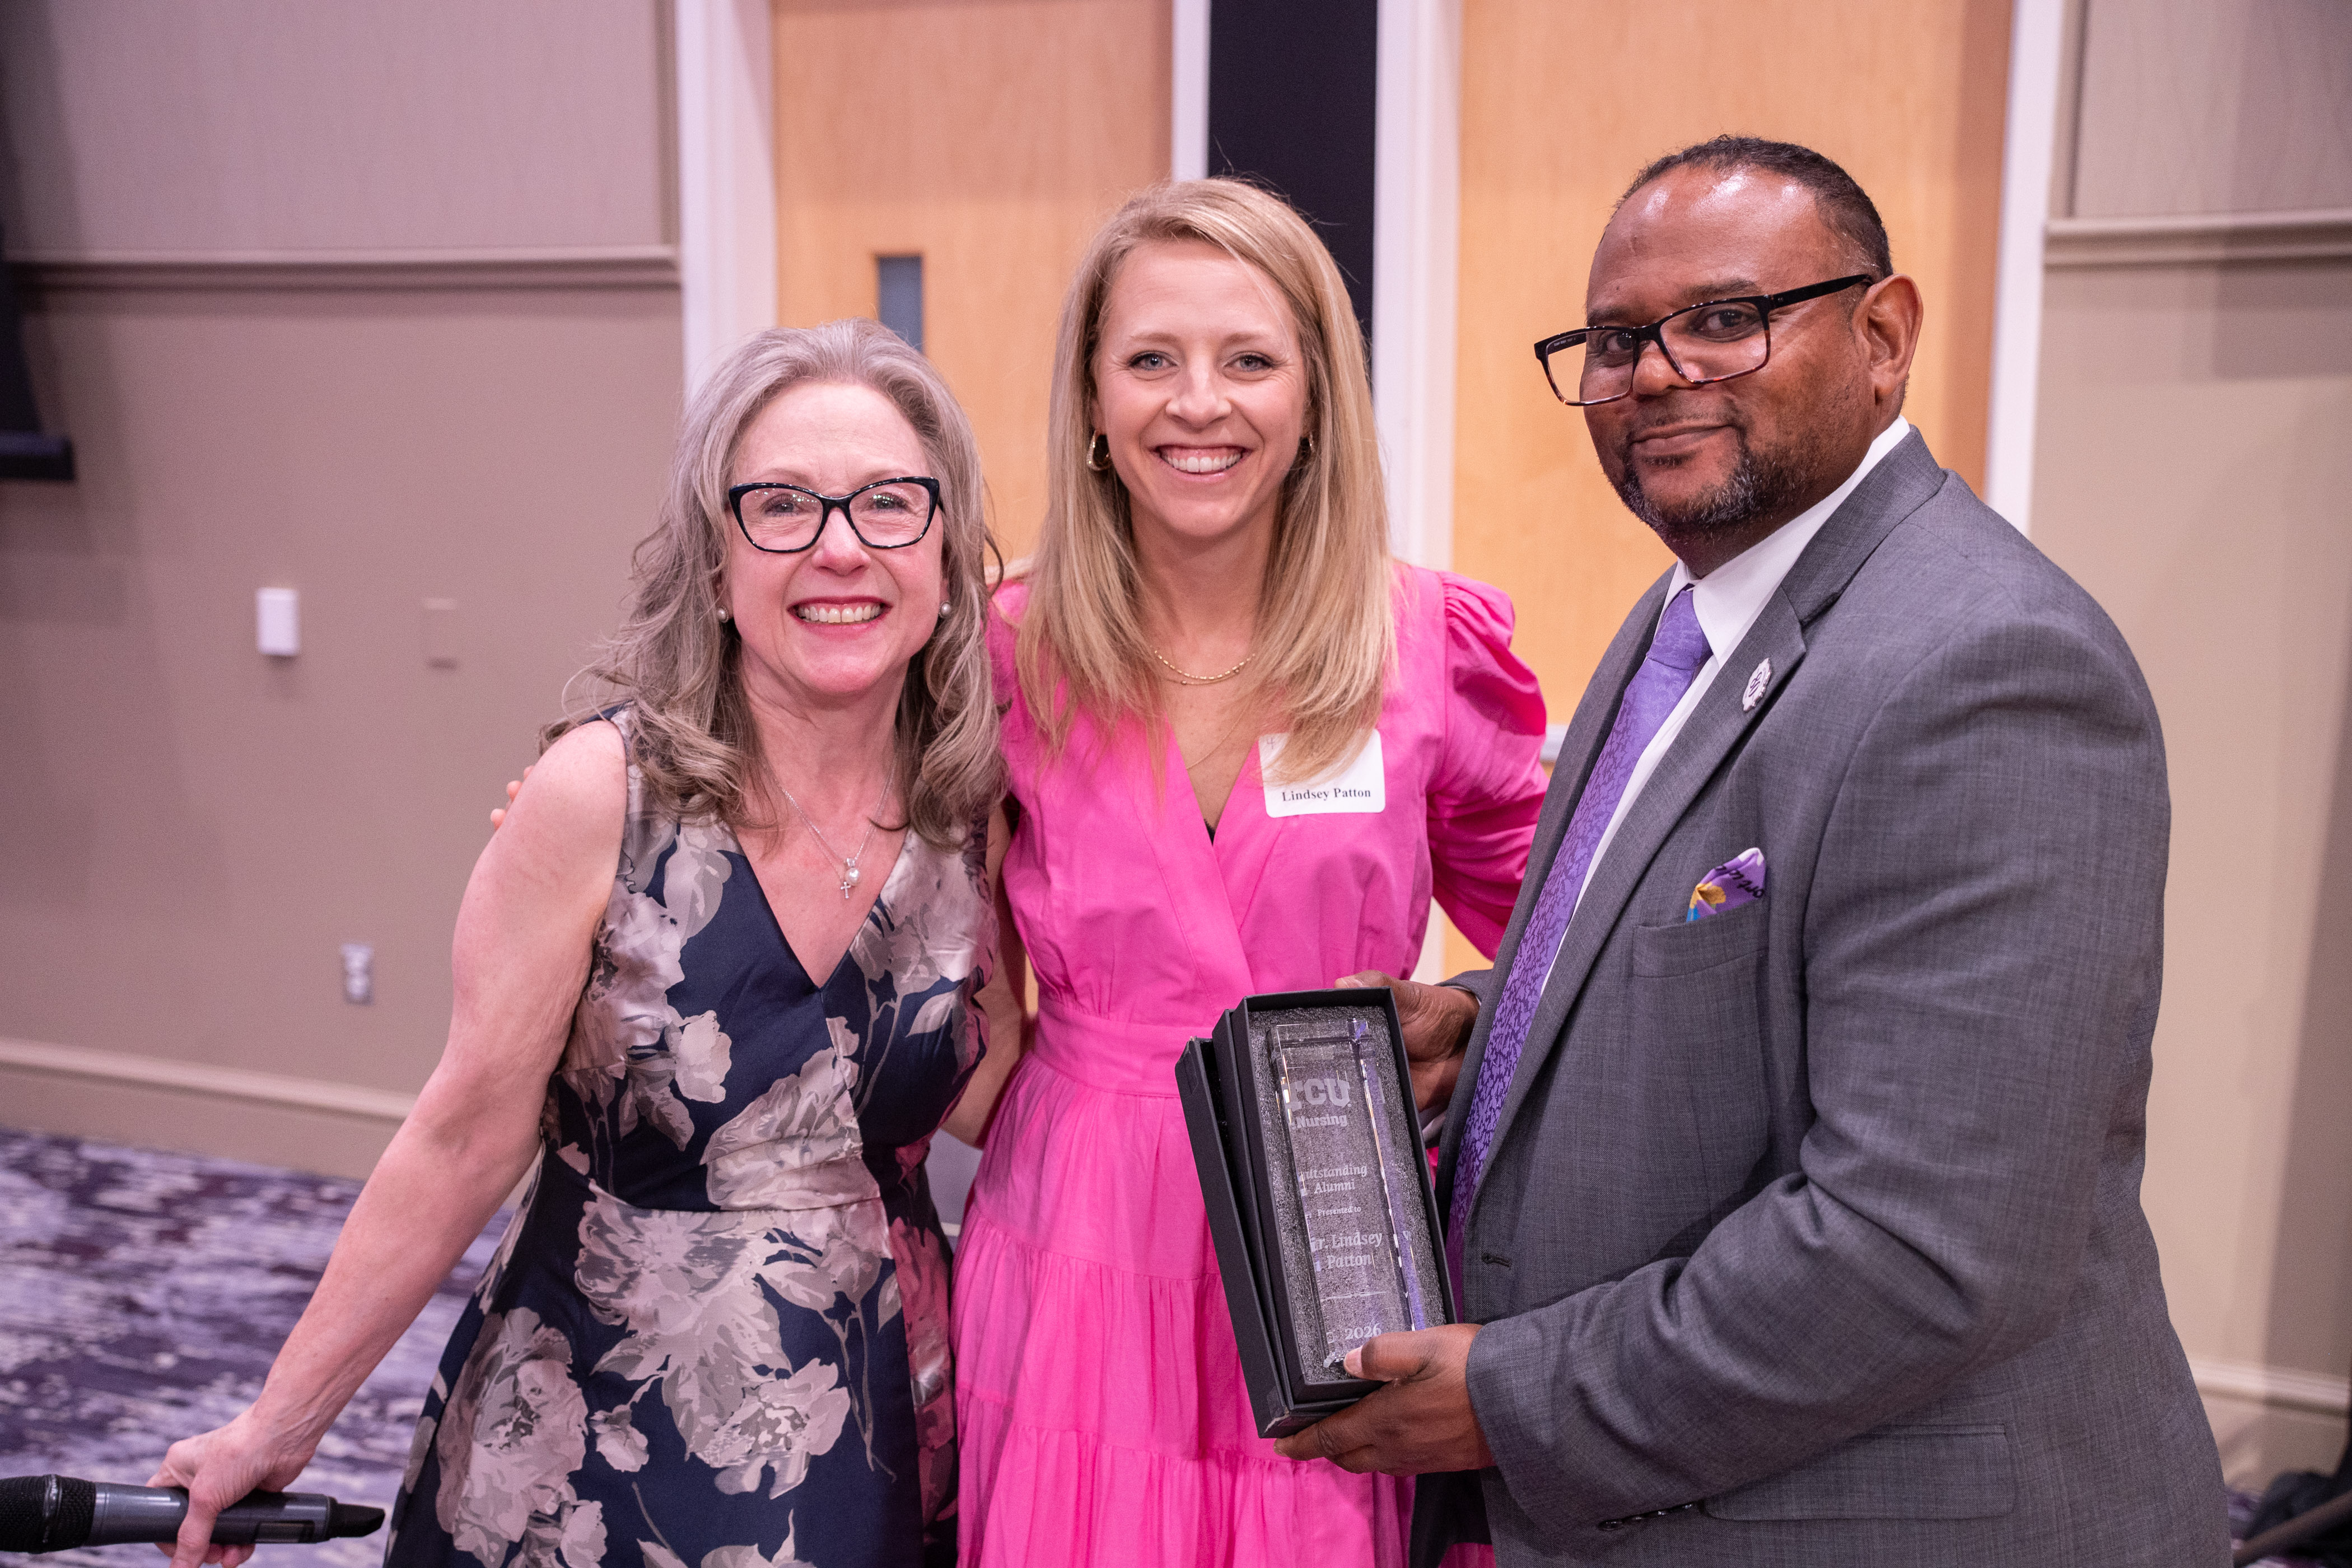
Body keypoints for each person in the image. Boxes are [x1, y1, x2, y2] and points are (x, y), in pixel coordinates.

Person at [1273, 137, 2230, 1566]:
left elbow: (1915, 1249)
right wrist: (1492, 1027)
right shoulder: (1687, 620)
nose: (1657, 372)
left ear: (1885, 334)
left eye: (1725, 318)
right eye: (1615, 340)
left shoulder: (1987, 665)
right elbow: (1755, 958)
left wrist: (1509, 1399)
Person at [151, 320, 1015, 1568]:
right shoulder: (598, 794)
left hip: (874, 1428)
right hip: (591, 1449)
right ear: (716, 566)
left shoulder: (971, 811)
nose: (841, 546)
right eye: (781, 505)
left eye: (890, 502)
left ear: (944, 556)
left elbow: (999, 1086)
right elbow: (461, 1136)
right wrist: (277, 1423)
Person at [940, 179, 1550, 1566]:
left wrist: (1452, 1011)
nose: (1196, 402)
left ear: (1315, 397)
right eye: (1151, 357)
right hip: (1081, 1229)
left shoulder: (1426, 643)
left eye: (1249, 359)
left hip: (1334, 1209)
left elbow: (1572, 934)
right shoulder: (1003, 653)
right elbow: (930, 950)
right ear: (1092, 399)